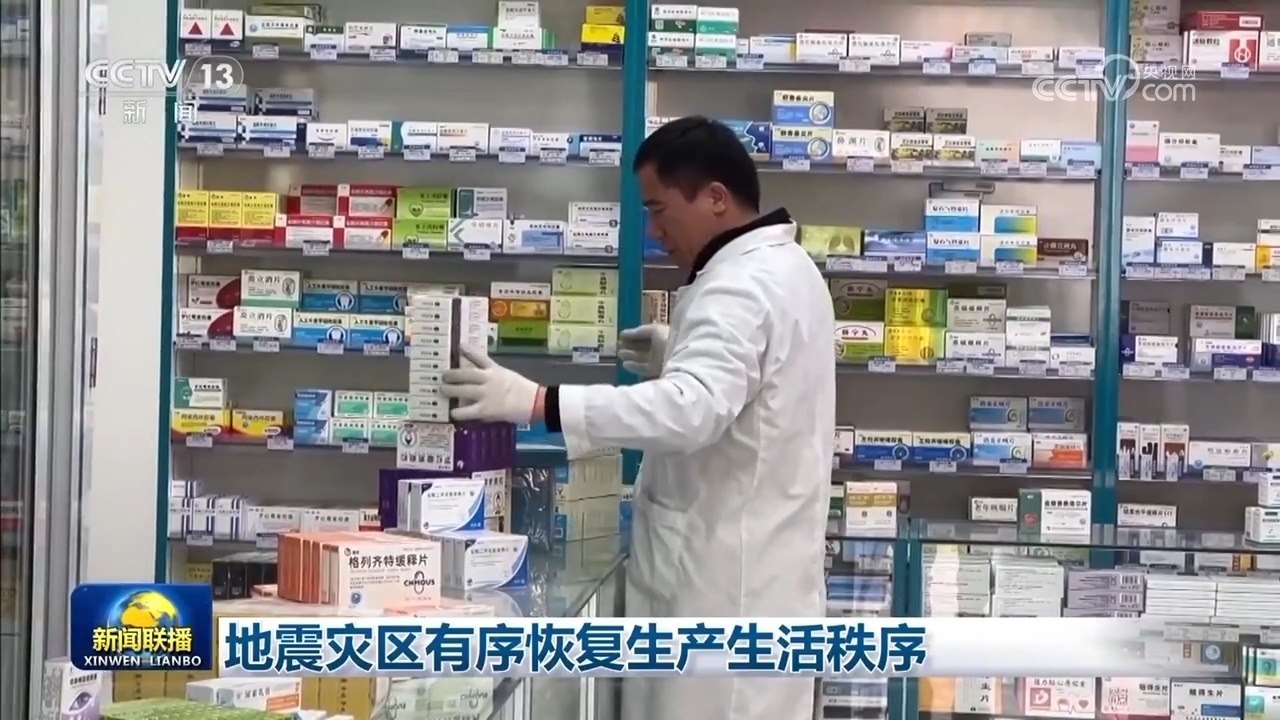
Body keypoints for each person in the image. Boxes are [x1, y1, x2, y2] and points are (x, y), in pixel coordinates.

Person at [440, 116, 836, 720]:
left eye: (658, 209)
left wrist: (540, 402)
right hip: (762, 578)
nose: (654, 231)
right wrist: (680, 354)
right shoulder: (789, 267)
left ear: (716, 197)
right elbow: (761, 388)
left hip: (722, 592)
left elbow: (690, 412)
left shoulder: (741, 286)